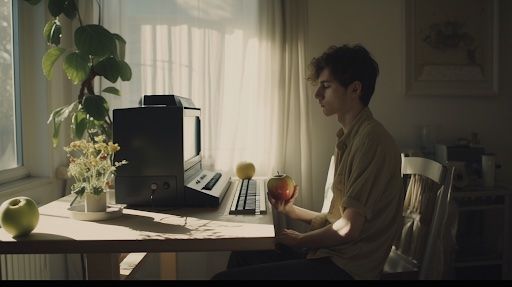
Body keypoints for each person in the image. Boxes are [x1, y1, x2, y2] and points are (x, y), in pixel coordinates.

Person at [212, 44, 404, 280]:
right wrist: (291, 211)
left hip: (345, 268)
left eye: (326, 86)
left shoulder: (371, 141)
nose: (317, 95)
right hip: (328, 255)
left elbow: (348, 229)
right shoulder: (349, 138)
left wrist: (302, 240)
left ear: (355, 89)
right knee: (243, 254)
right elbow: (337, 220)